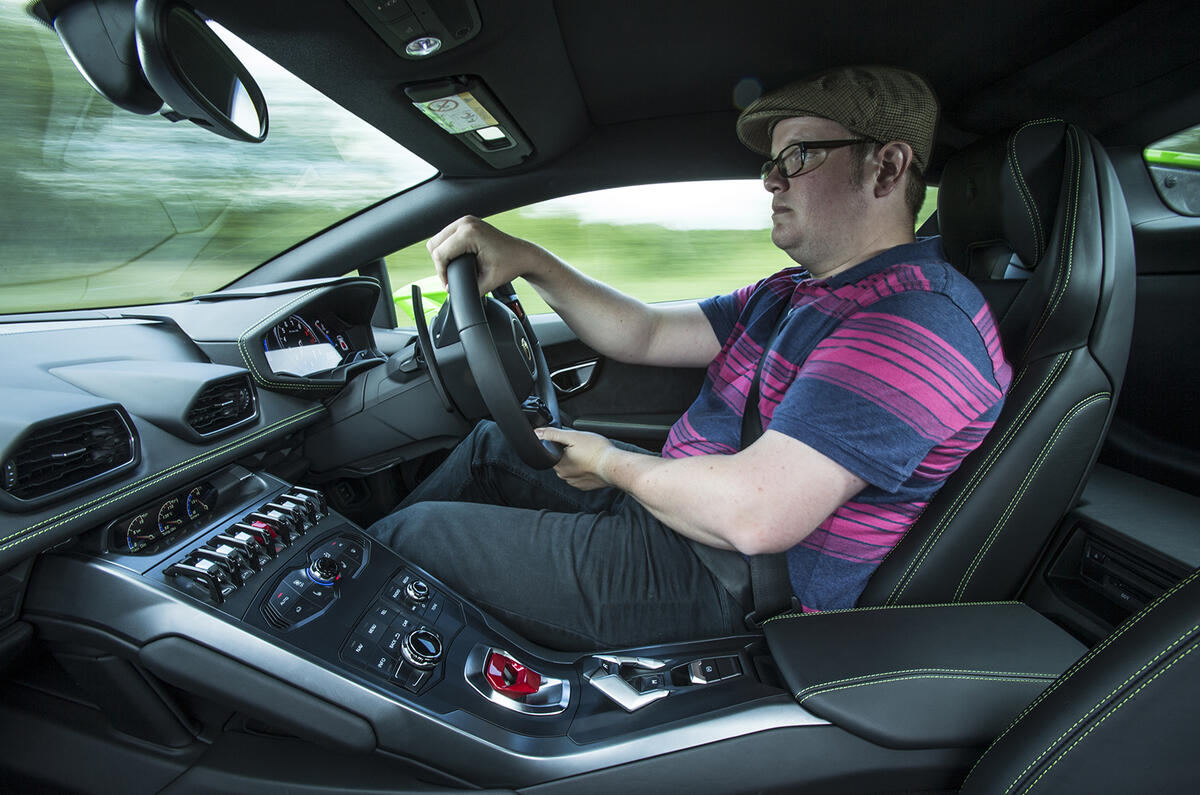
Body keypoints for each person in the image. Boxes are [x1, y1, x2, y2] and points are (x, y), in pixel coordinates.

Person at [367, 65, 1012, 652]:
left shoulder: (916, 325)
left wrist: (615, 463)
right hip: (684, 518)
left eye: (800, 154)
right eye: (773, 160)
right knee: (490, 448)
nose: (771, 178)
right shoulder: (793, 292)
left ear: (888, 168)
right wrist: (532, 260)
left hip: (725, 581)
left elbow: (757, 515)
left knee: (414, 538)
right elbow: (644, 333)